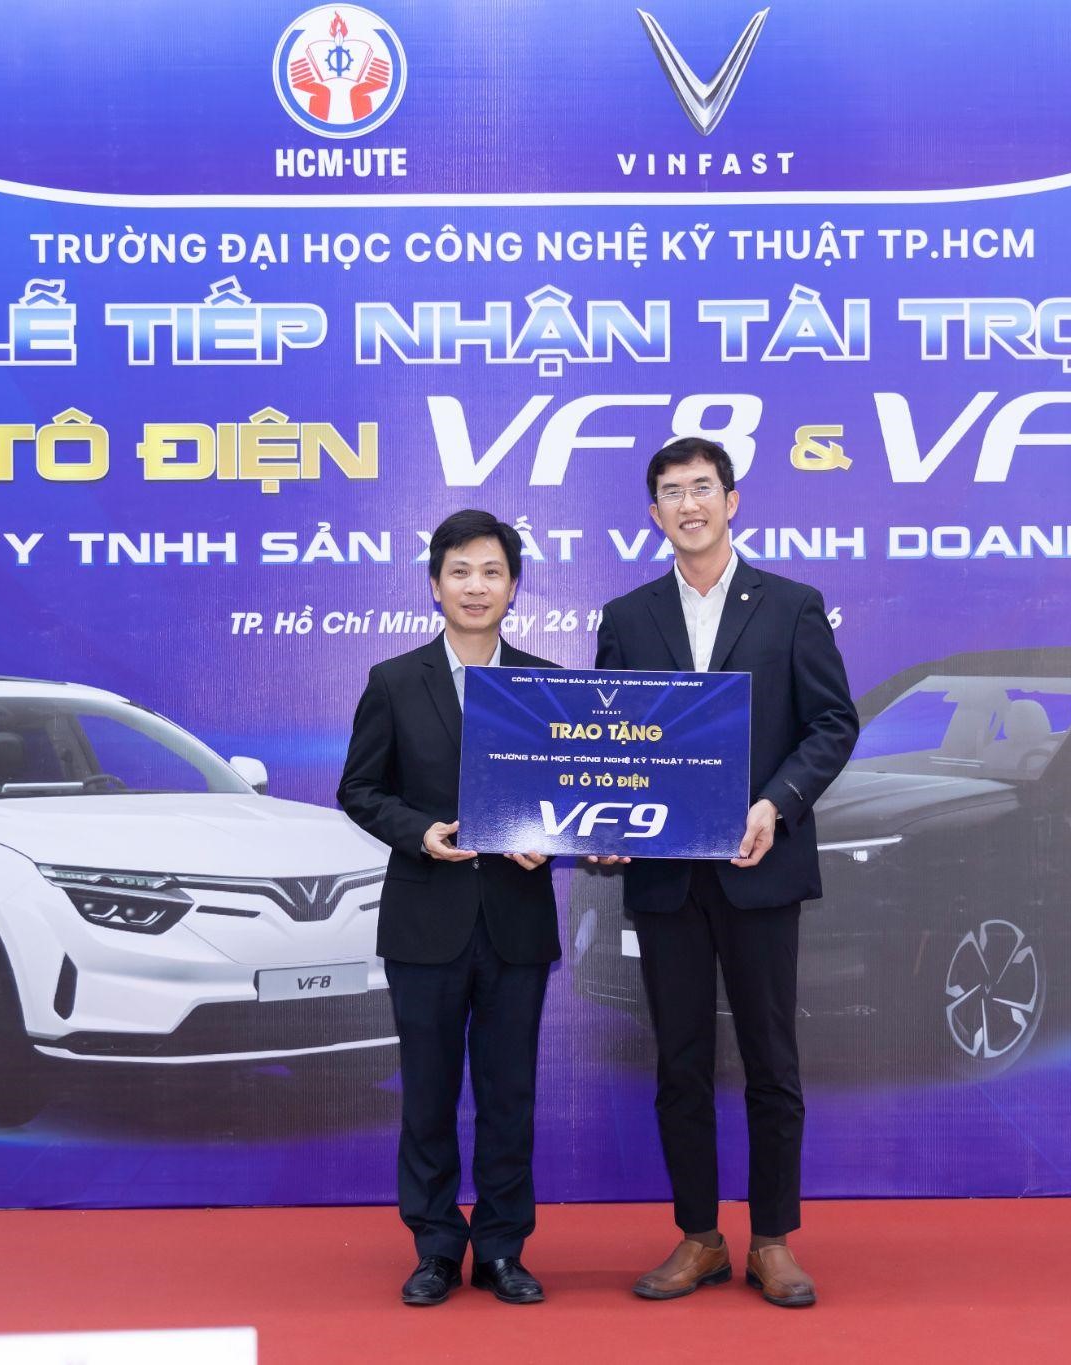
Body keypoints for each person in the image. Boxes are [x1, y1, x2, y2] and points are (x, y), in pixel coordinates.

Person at [592, 437, 857, 1309]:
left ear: (731, 501)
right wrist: (603, 824)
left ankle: (772, 1238)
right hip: (667, 876)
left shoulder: (791, 605)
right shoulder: (628, 617)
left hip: (759, 865)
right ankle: (700, 1236)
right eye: (671, 492)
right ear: (654, 513)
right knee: (680, 1062)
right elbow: (612, 744)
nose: (689, 504)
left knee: (772, 1059)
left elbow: (831, 723)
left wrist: (775, 802)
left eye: (702, 487)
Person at [338, 509, 561, 1307]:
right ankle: (435, 1244)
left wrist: (552, 838)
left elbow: (571, 792)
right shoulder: (394, 681)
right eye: (460, 571)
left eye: (492, 571)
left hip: (515, 922)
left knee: (509, 1096)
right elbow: (360, 789)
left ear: (514, 587)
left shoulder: (545, 685)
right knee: (428, 1096)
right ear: (435, 585)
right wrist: (418, 832)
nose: (476, 585)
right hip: (424, 921)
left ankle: (502, 1247)